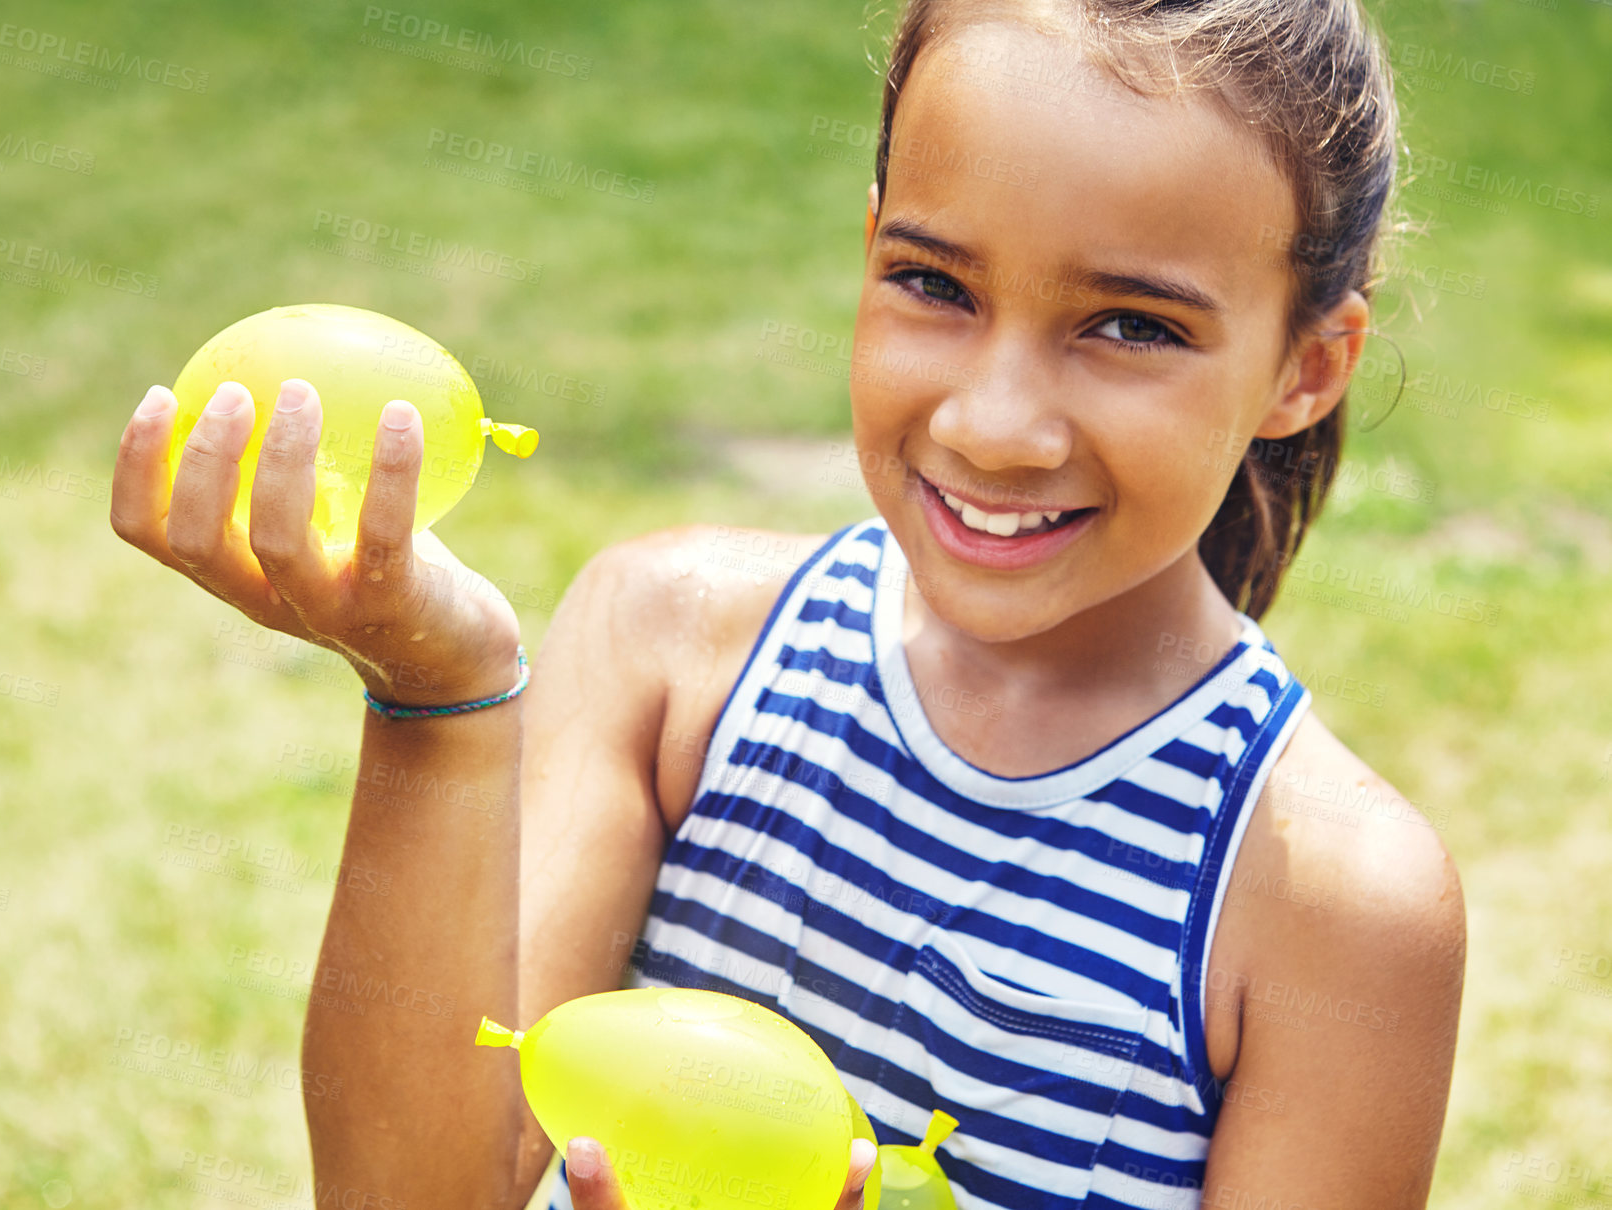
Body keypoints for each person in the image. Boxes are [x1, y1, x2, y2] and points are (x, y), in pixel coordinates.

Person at [110, 0, 1465, 1206]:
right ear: (869, 244)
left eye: (1133, 325)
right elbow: (401, 1191)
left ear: (1308, 362)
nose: (995, 425)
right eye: (935, 284)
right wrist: (433, 693)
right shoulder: (671, 651)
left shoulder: (1328, 902)